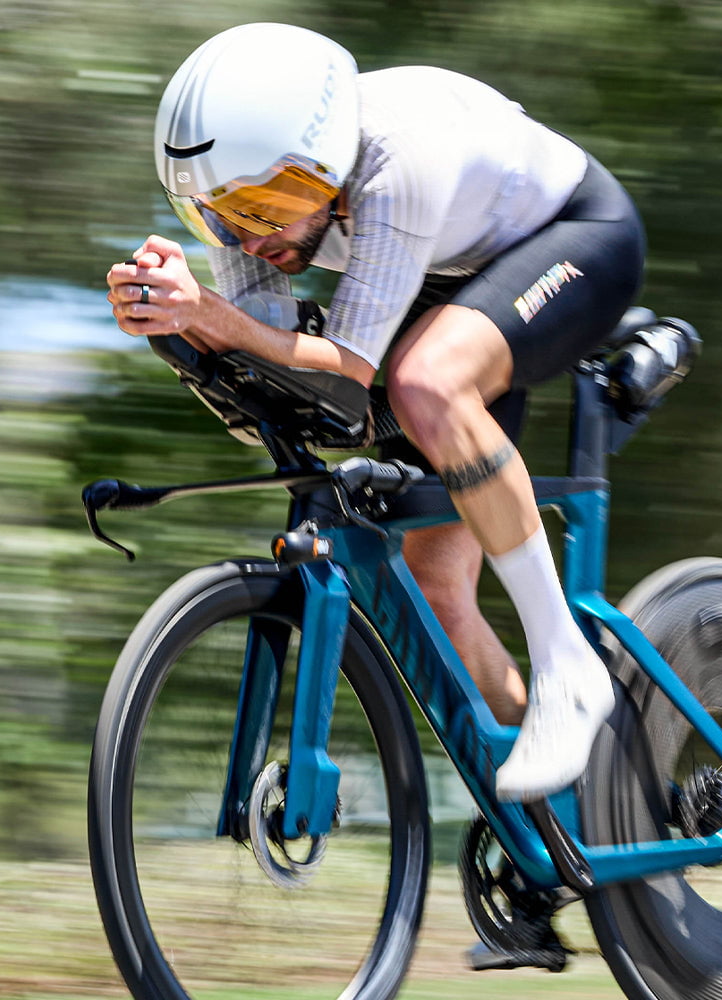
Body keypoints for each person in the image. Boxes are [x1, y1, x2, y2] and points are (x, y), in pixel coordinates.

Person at [106, 22, 645, 803]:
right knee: (432, 589)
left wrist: (215, 316)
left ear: (326, 164)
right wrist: (182, 320)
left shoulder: (396, 161)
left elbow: (351, 374)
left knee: (424, 383)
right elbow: (286, 372)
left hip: (576, 237)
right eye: (219, 216)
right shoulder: (249, 210)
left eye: (271, 204)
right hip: (451, 274)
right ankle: (577, 819)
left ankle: (567, 662)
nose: (251, 238)